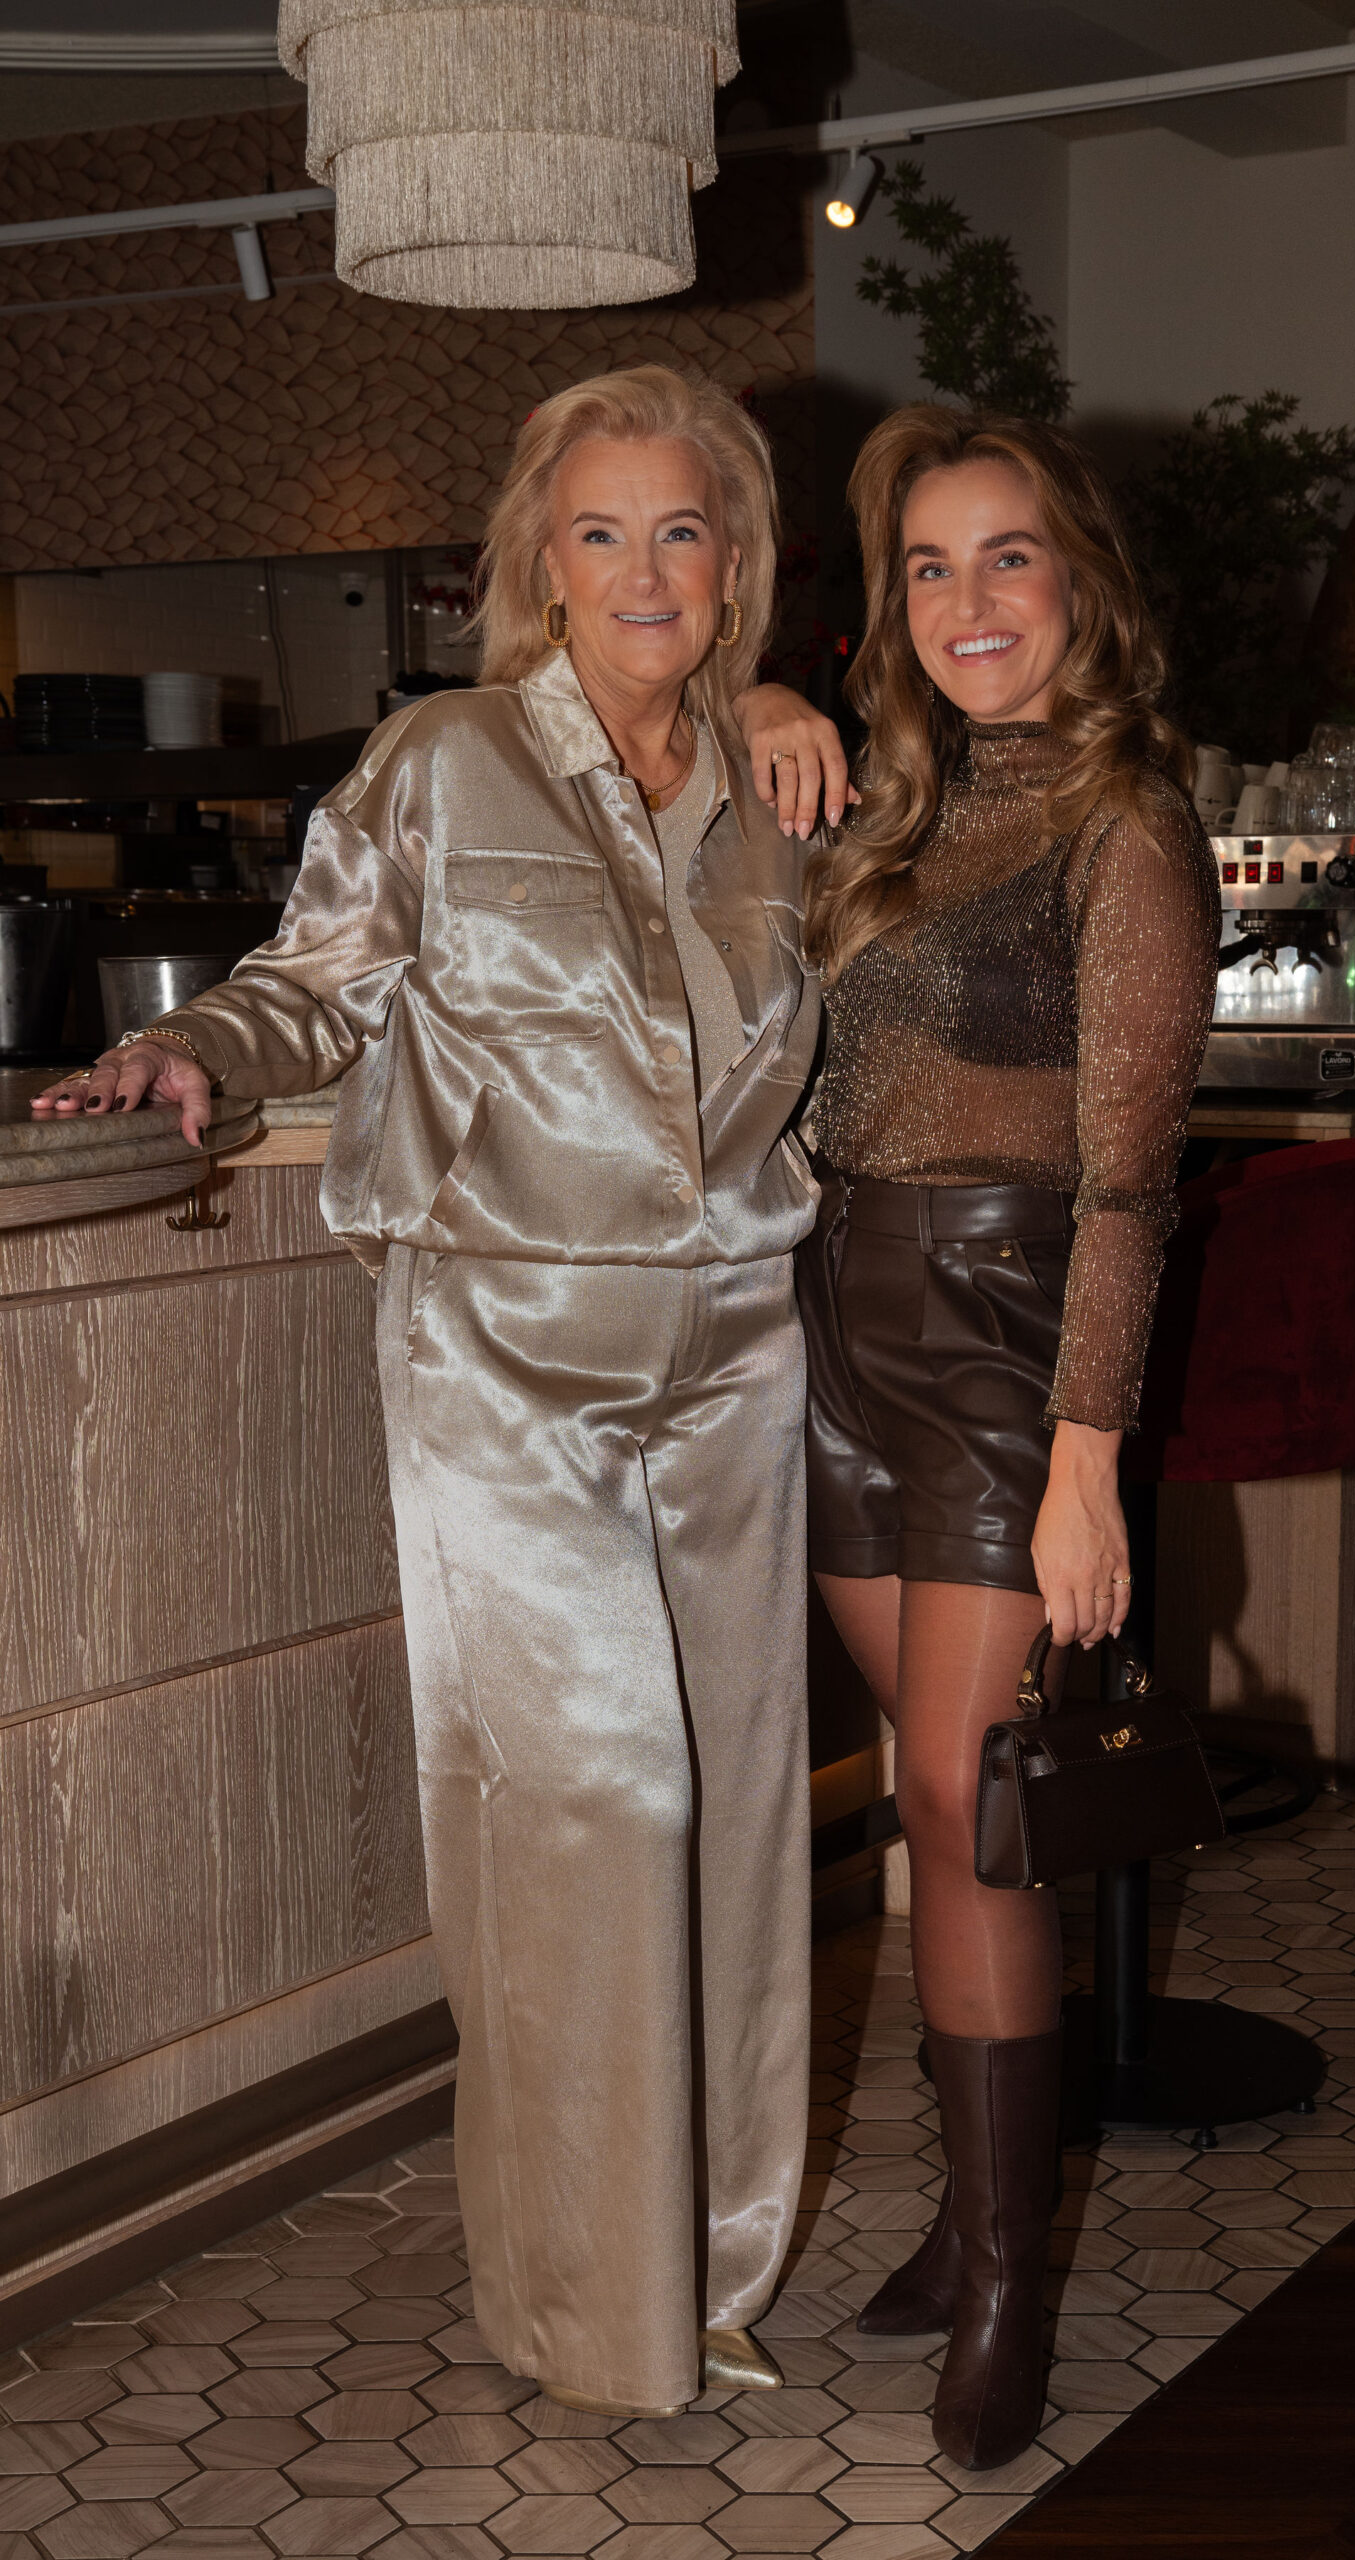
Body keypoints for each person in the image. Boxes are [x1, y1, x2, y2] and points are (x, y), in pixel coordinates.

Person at [33, 366, 824, 2421]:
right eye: (599, 530)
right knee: (594, 1808)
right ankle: (589, 2302)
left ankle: (714, 2263)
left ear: (733, 558)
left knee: (741, 1814)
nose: (641, 569)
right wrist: (190, 1047)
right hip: (510, 1350)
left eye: (680, 529)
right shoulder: (442, 761)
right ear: (537, 563)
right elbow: (316, 980)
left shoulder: (771, 784)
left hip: (738, 1344)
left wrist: (784, 704)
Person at [740, 405, 1219, 2469]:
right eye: (927, 568)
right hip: (834, 1325)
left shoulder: (1129, 822)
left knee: (965, 1789)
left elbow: (1131, 1181)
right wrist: (759, 693)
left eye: (1006, 555)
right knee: (933, 1807)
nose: (968, 602)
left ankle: (1011, 2275)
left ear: (1079, 574)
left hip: (1008, 1337)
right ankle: (969, 2212)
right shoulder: (888, 808)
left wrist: (1086, 1457)